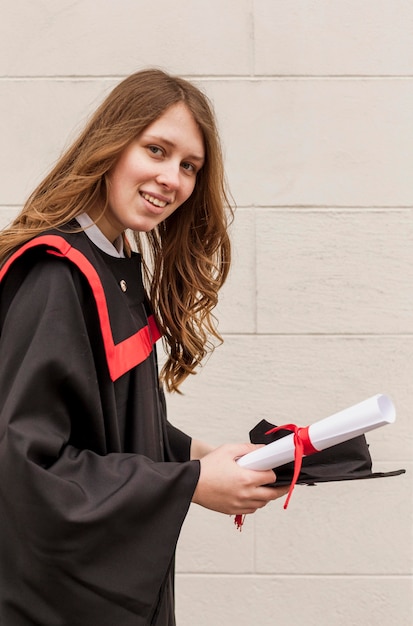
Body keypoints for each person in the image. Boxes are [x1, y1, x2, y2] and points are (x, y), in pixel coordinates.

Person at [0, 68, 288, 626]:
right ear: (111, 144)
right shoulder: (56, 274)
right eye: (156, 150)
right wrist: (192, 484)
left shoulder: (117, 262)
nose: (171, 178)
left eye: (189, 167)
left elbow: (105, 420)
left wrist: (196, 454)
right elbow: (26, 466)